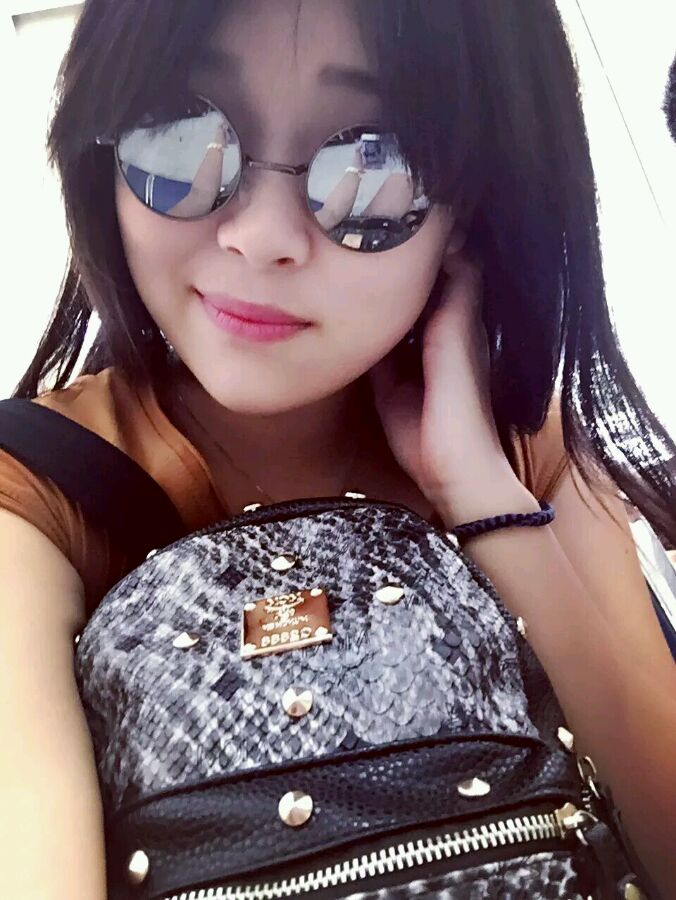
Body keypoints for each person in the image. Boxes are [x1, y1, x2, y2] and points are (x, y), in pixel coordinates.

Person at [1, 1, 675, 897]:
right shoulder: (34, 495)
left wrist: (483, 497)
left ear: (470, 208)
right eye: (178, 129)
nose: (260, 237)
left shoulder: (525, 441)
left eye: (373, 160)